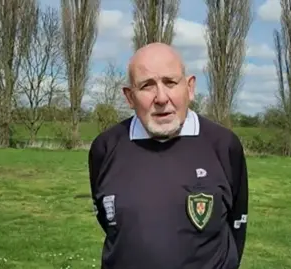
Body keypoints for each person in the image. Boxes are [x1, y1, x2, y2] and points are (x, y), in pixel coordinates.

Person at [88, 42, 249, 269]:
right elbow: (109, 221)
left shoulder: (224, 145)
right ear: (129, 97)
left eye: (170, 82)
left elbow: (237, 224)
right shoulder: (105, 148)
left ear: (190, 87)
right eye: (147, 86)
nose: (161, 98)